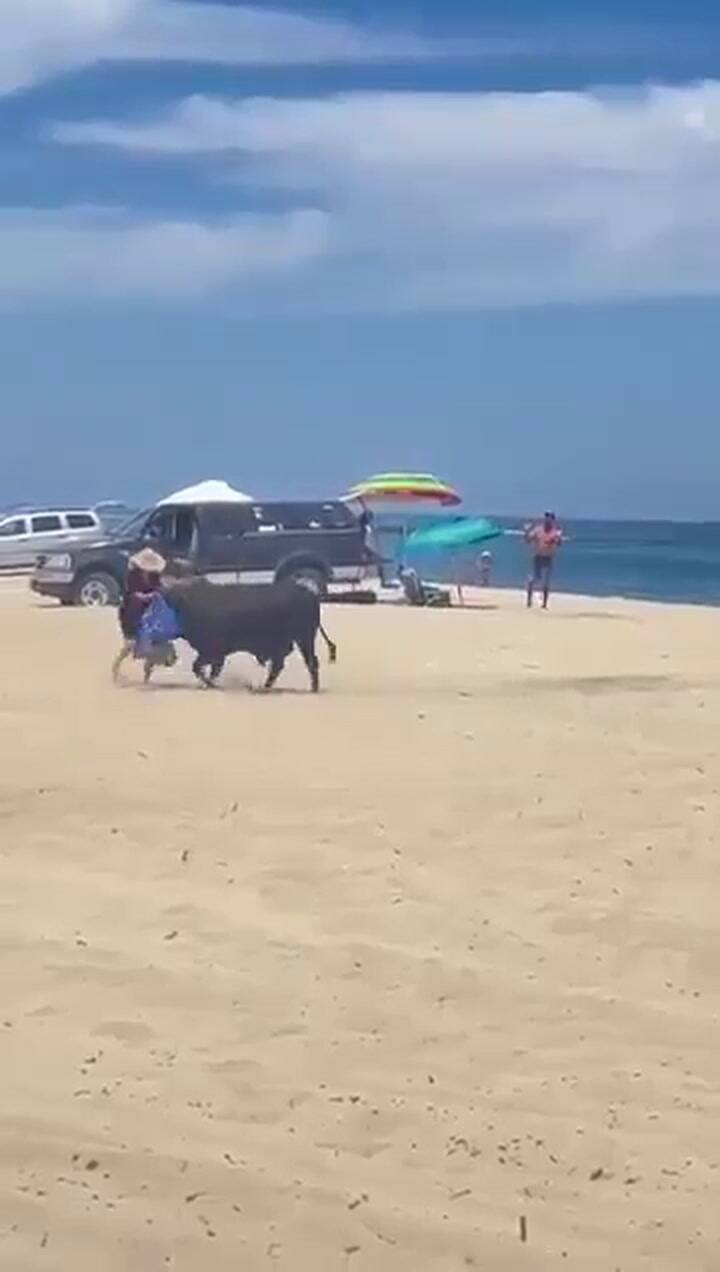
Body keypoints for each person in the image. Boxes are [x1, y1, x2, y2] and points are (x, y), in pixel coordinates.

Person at [112, 546, 167, 682]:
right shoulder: (132, 576)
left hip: (149, 614)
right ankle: (116, 668)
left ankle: (146, 676)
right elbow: (133, 595)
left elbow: (160, 589)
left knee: (154, 645)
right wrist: (148, 596)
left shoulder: (155, 576)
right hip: (131, 614)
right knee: (130, 645)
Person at [524, 512, 563, 609]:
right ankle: (529, 600)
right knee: (534, 579)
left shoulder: (554, 532)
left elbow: (558, 544)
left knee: (546, 581)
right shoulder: (538, 530)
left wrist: (558, 537)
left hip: (548, 558)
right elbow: (528, 540)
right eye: (546, 518)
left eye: (550, 518)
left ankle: (544, 604)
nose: (548, 520)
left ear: (553, 520)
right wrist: (526, 531)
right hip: (538, 557)